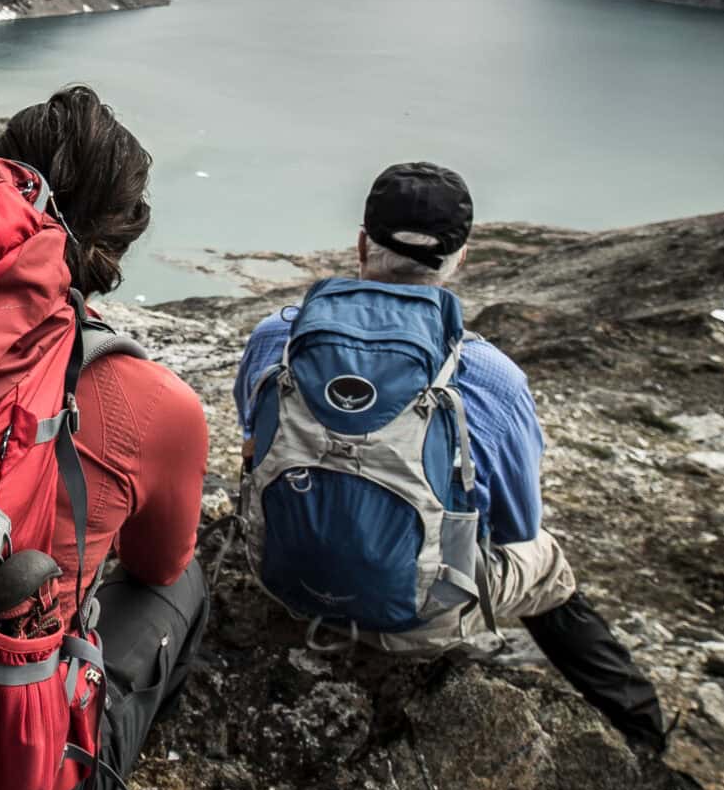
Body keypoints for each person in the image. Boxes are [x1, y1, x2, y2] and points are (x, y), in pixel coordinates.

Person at [234, 162, 669, 755]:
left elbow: (252, 447)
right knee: (546, 561)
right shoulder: (492, 377)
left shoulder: (275, 337)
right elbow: (516, 525)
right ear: (459, 258)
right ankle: (641, 730)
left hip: (281, 579)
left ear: (362, 243)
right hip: (418, 618)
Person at [0, 86, 214, 790]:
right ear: (120, 233)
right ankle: (103, 777)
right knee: (184, 585)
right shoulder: (155, 403)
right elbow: (156, 567)